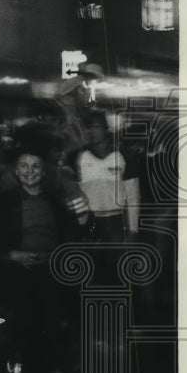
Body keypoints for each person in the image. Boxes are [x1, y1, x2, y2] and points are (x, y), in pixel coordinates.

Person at [0, 148, 84, 373]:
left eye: (35, 166)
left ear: (44, 171)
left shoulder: (57, 199)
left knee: (53, 322)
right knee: (24, 324)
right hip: (17, 272)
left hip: (52, 271)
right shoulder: (3, 202)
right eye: (24, 166)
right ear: (16, 171)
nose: (30, 171)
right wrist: (12, 255)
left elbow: (71, 235)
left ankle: (55, 372)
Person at [76, 110, 140, 281]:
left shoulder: (124, 156)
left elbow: (133, 196)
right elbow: (72, 193)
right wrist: (79, 223)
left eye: (96, 127)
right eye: (88, 127)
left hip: (115, 223)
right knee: (90, 272)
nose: (91, 131)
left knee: (116, 272)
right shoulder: (78, 157)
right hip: (89, 222)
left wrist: (133, 230)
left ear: (107, 130)